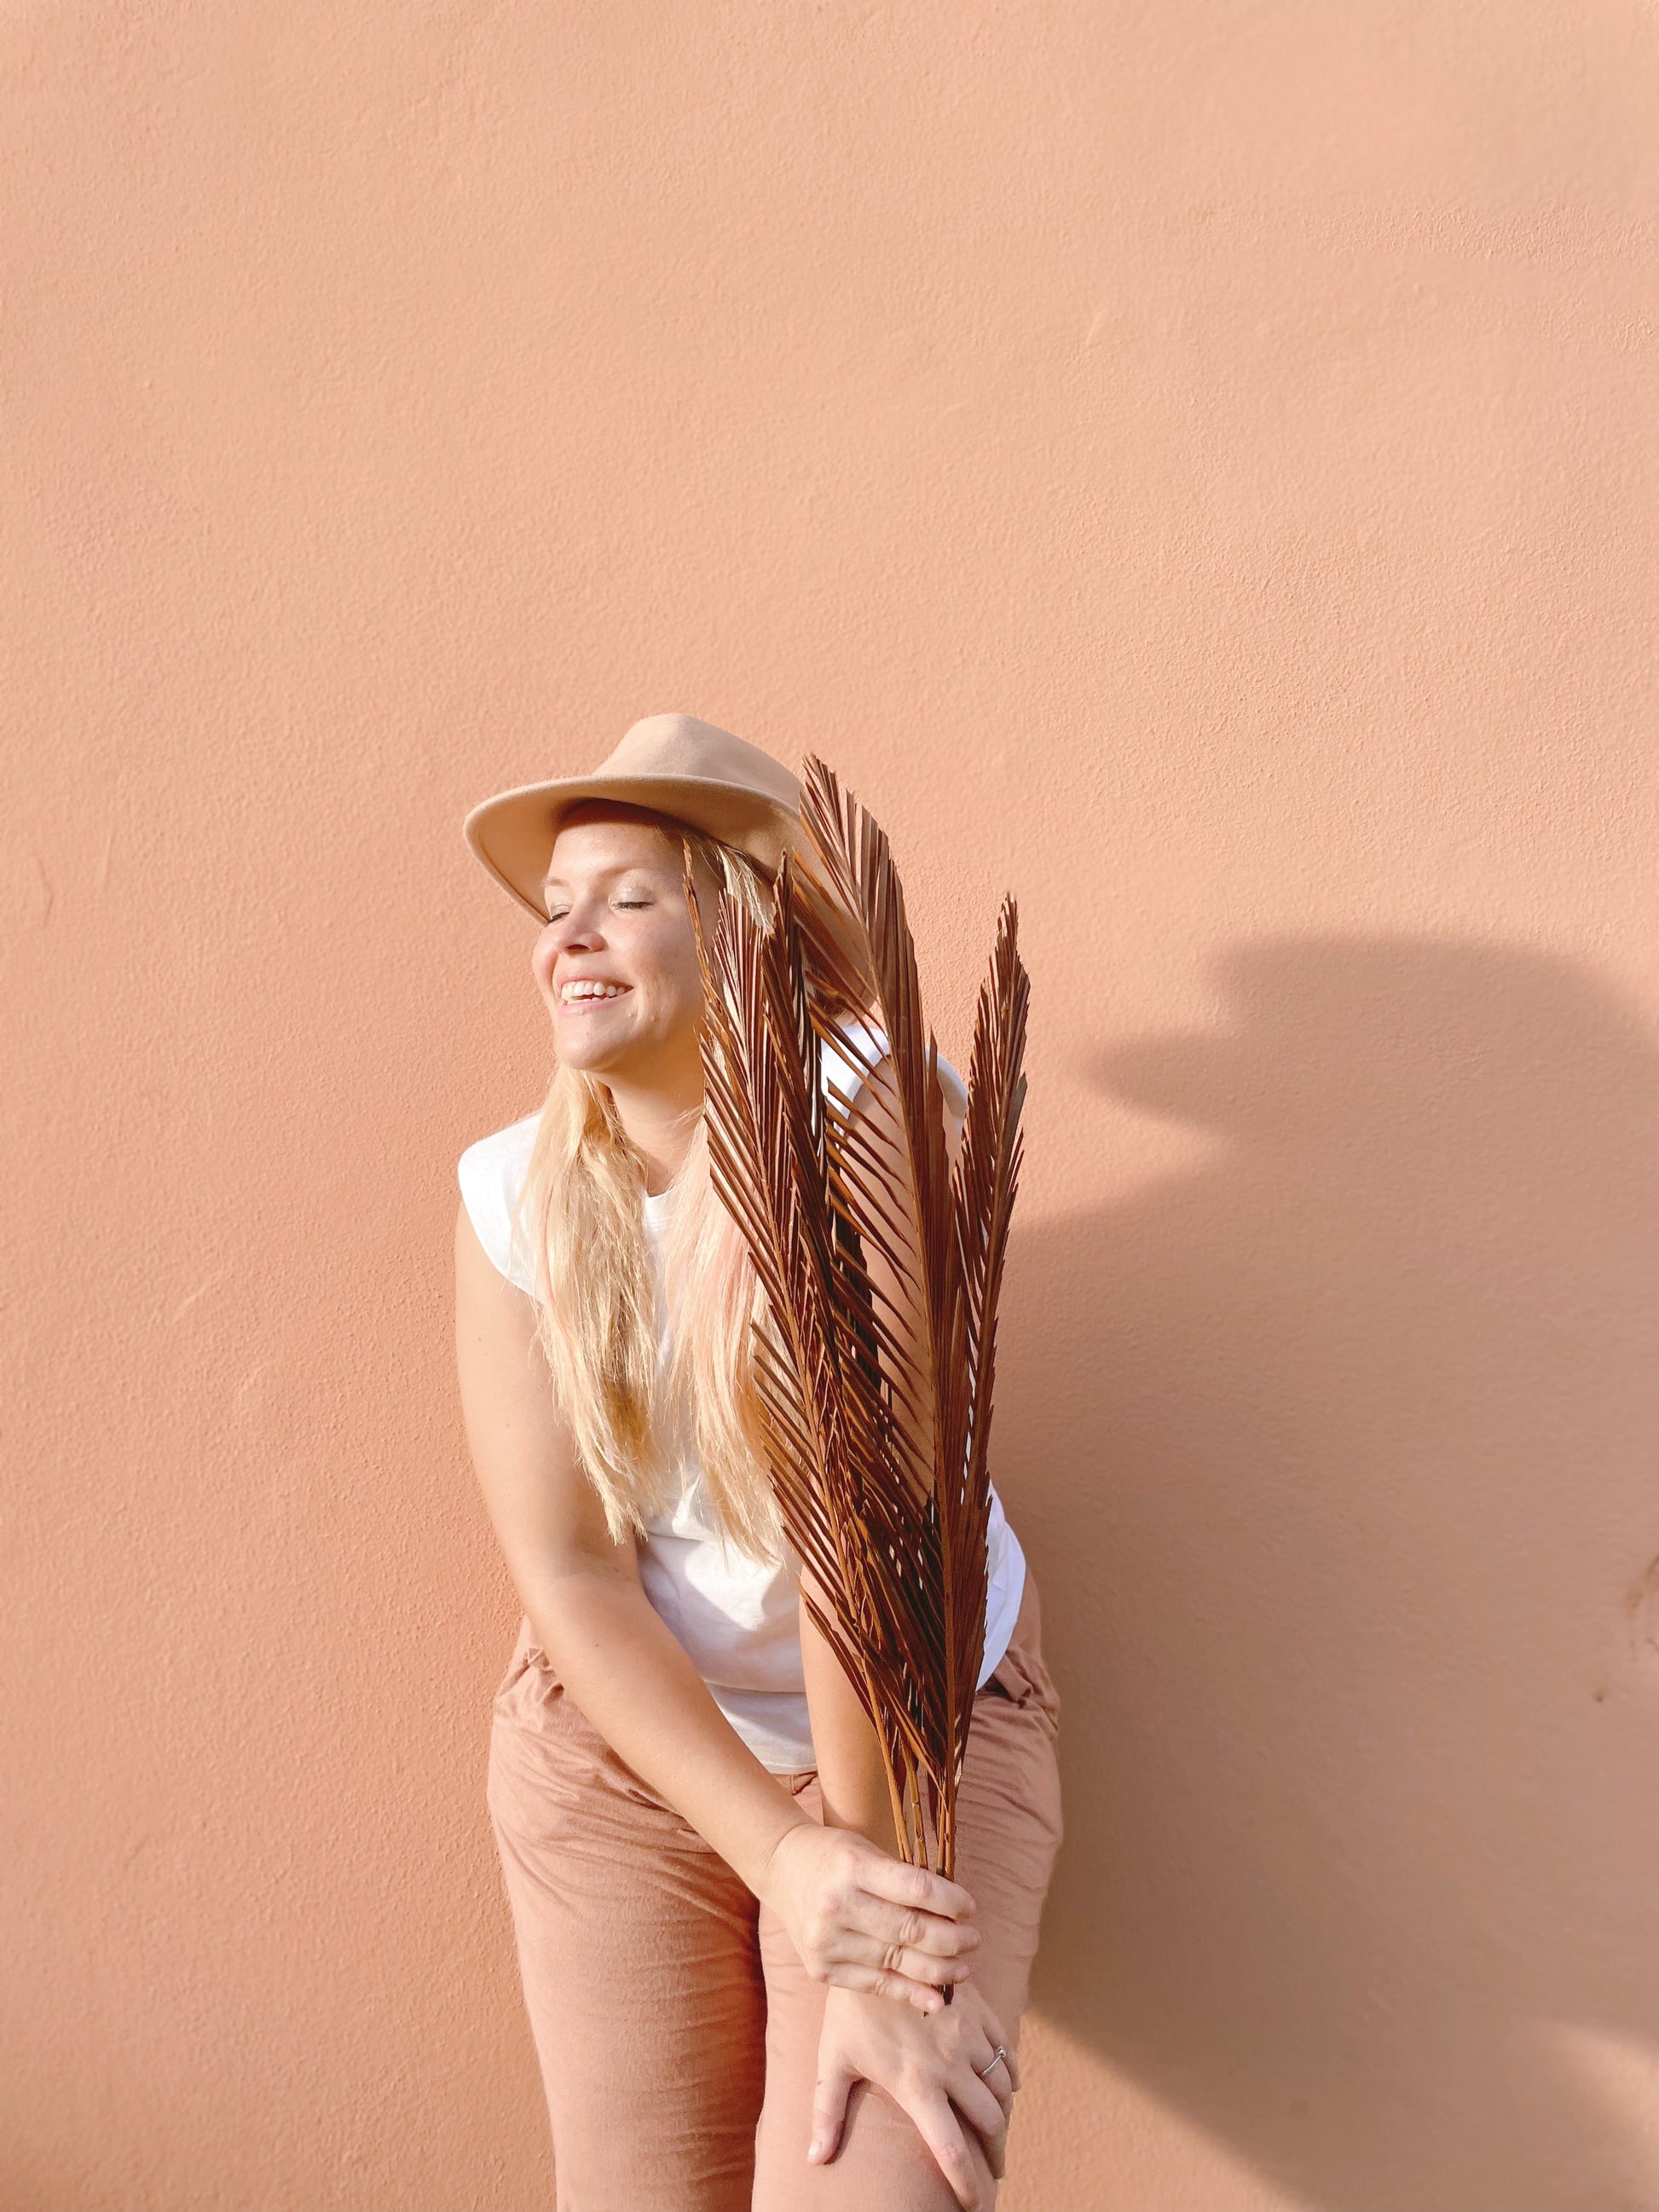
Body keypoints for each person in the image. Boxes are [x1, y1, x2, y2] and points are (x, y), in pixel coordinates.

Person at [454, 712, 1062, 2210]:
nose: (568, 938)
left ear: (744, 930)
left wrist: (864, 1931)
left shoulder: (871, 1129)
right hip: (636, 1743)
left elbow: (874, 1562)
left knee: (872, 2173)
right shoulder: (515, 1191)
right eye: (555, 907)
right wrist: (784, 1865)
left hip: (908, 1734)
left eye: (627, 899)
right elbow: (568, 1570)